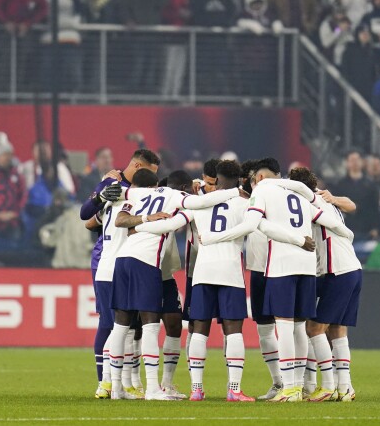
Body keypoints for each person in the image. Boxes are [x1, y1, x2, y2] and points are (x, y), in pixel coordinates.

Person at [201, 158, 352, 403]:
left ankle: (289, 387)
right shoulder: (297, 192)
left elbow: (254, 225)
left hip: (281, 266)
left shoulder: (261, 193)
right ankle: (300, 385)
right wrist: (347, 234)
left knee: (282, 326)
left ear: (258, 179)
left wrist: (213, 239)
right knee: (299, 328)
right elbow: (325, 217)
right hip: (306, 267)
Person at [134, 161, 254, 402]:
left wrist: (141, 226)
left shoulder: (200, 204)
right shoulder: (245, 202)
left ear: (216, 179)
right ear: (240, 180)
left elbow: (172, 224)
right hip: (230, 270)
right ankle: (234, 389)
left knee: (199, 329)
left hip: (202, 272)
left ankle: (197, 389)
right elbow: (255, 227)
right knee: (233, 330)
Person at [84, 149, 161, 400]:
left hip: (125, 264)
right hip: (108, 261)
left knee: (128, 327)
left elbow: (90, 221)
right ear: (139, 167)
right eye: (151, 174)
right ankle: (105, 382)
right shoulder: (115, 186)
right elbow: (86, 216)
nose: (154, 182)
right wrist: (99, 198)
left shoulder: (124, 191)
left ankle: (124, 383)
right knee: (112, 324)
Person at [289, 167, 361, 403]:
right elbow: (351, 205)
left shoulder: (310, 203)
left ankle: (328, 386)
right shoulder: (323, 197)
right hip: (352, 269)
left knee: (313, 328)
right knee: (337, 329)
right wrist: (334, 198)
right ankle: (345, 387)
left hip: (336, 271)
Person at [0, 0, 48, 90]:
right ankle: (2, 89)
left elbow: (43, 10)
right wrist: (6, 22)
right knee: (5, 59)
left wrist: (29, 23)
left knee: (22, 60)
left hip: (24, 30)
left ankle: (18, 89)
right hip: (8, 29)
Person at [330, 150, 380, 240]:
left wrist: (375, 228)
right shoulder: (340, 185)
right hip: (346, 228)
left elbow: (375, 208)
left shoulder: (371, 186)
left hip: (365, 229)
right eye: (352, 160)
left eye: (357, 159)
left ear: (362, 162)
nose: (355, 163)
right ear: (347, 163)